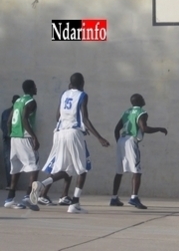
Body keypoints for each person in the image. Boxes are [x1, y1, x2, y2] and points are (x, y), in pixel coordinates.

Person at [29, 73, 110, 213]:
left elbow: (57, 116)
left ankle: (41, 185)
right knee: (83, 168)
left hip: (60, 133)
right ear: (81, 83)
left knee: (67, 170)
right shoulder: (83, 95)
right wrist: (99, 137)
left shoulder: (64, 94)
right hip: (73, 133)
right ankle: (75, 204)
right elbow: (85, 118)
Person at [110, 94, 168, 209]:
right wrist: (160, 129)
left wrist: (120, 142)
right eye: (142, 97)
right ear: (140, 101)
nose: (144, 98)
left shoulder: (127, 112)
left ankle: (114, 198)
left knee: (119, 171)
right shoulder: (142, 112)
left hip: (122, 140)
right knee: (137, 171)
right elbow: (144, 129)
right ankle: (134, 198)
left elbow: (116, 129)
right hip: (131, 141)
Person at [4, 80, 40, 211]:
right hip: (25, 137)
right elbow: (25, 119)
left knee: (16, 168)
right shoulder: (30, 101)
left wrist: (11, 134)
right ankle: (28, 197)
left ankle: (10, 198)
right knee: (34, 167)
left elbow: (9, 121)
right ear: (31, 88)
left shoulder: (18, 101)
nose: (36, 88)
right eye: (35, 86)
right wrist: (34, 137)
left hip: (14, 137)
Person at [1, 95, 20, 190]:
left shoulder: (7, 113)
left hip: (12, 138)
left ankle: (12, 184)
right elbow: (3, 125)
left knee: (13, 161)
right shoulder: (6, 113)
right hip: (10, 139)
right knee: (9, 161)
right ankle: (10, 184)